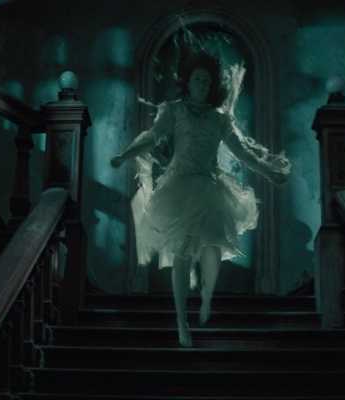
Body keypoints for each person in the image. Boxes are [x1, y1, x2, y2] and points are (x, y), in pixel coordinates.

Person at [110, 51, 290, 347]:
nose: (203, 85)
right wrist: (124, 154)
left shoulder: (220, 119)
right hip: (179, 187)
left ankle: (205, 298)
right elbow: (152, 136)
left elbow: (243, 154)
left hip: (208, 188)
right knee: (182, 254)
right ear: (188, 81)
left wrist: (270, 173)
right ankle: (182, 321)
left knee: (210, 248)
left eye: (207, 81)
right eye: (198, 79)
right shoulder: (174, 110)